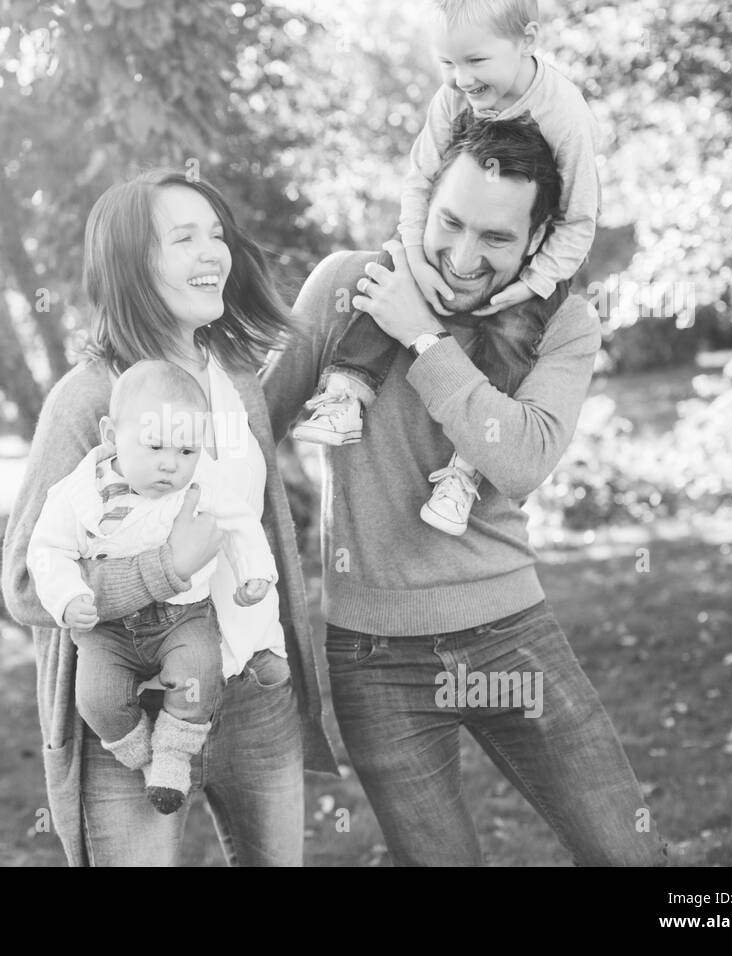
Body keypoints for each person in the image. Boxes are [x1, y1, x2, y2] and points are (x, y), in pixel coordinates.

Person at [265, 114, 665, 866]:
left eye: (496, 238)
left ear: (539, 237)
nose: (462, 255)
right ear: (425, 202)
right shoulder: (350, 285)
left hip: (511, 632)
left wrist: (423, 337)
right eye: (451, 223)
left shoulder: (563, 323)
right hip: (373, 655)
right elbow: (252, 424)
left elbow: (518, 460)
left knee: (630, 856)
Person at [2, 167, 338, 867]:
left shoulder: (236, 376)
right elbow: (27, 585)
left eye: (216, 235)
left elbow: (252, 523)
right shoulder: (89, 398)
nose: (212, 252)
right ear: (131, 264)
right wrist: (163, 569)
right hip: (133, 710)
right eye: (183, 238)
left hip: (250, 697)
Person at [292, 0, 598, 538]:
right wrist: (411, 254)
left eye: (476, 61)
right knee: (389, 272)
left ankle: (463, 474)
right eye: (447, 64)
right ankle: (347, 392)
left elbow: (576, 220)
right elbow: (420, 179)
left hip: (542, 268)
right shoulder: (454, 97)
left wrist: (532, 283)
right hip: (438, 244)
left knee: (513, 330)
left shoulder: (564, 115)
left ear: (527, 40)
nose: (462, 79)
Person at [26, 359, 277, 814]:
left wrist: (255, 571)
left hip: (183, 616)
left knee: (200, 671)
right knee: (97, 697)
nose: (169, 464)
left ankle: (174, 755)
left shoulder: (202, 481)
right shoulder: (77, 494)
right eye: (155, 446)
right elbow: (46, 551)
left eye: (186, 451)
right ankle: (145, 756)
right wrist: (67, 597)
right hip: (107, 631)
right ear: (110, 435)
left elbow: (240, 522)